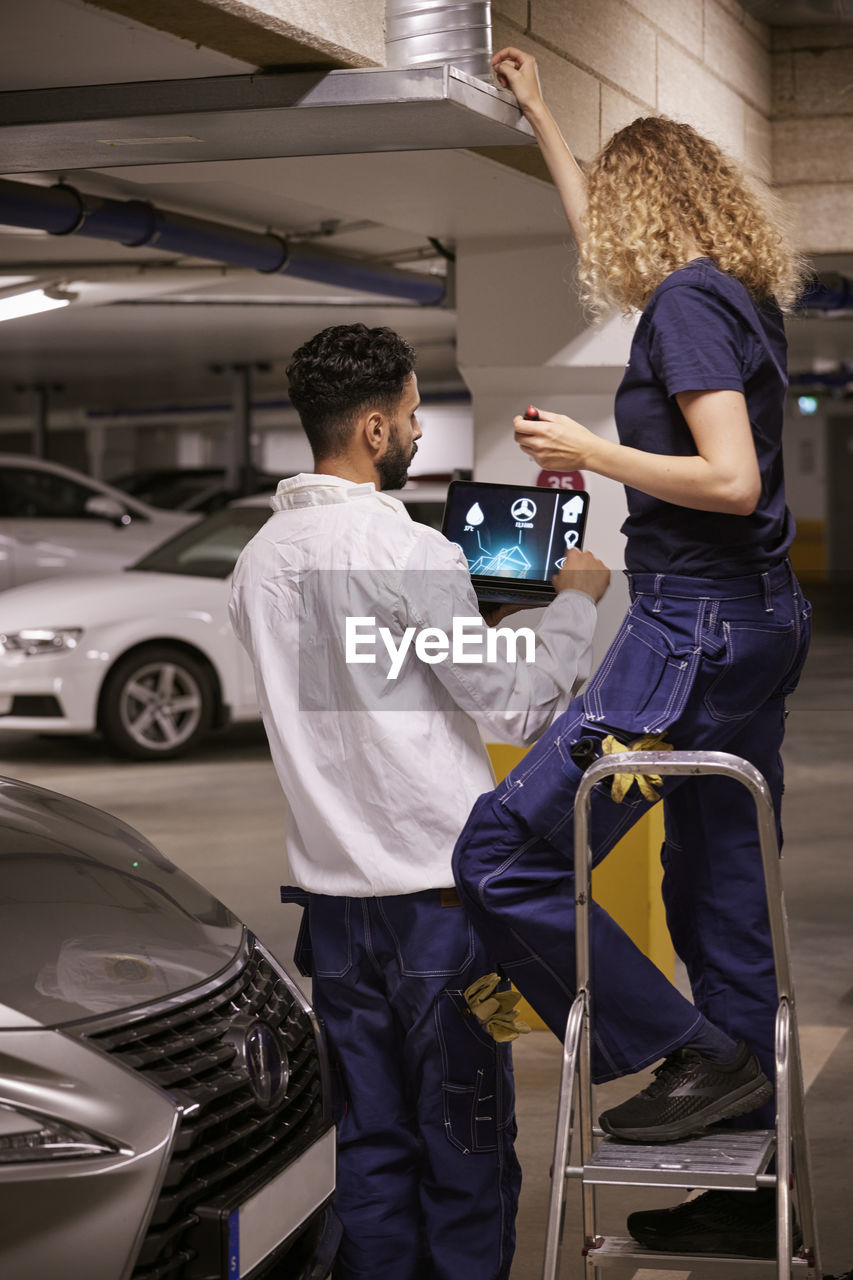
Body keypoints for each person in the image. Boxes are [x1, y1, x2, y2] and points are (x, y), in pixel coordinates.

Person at [451, 48, 812, 1258]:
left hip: (689, 624)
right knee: (712, 891)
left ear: (642, 211)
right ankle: (733, 1150)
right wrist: (547, 117)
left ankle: (688, 1050)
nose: (591, 234)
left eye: (605, 209)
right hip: (753, 619)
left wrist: (589, 452)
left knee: (502, 846)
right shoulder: (729, 294)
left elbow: (730, 478)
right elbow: (594, 218)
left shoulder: (686, 307)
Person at [228, 322, 610, 1280]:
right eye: (407, 418)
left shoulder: (258, 562)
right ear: (369, 427)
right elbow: (516, 704)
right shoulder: (401, 546)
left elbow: (356, 688)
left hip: (332, 911)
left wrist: (451, 635)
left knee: (370, 1139)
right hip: (442, 910)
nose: (414, 436)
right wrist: (574, 603)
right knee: (467, 1142)